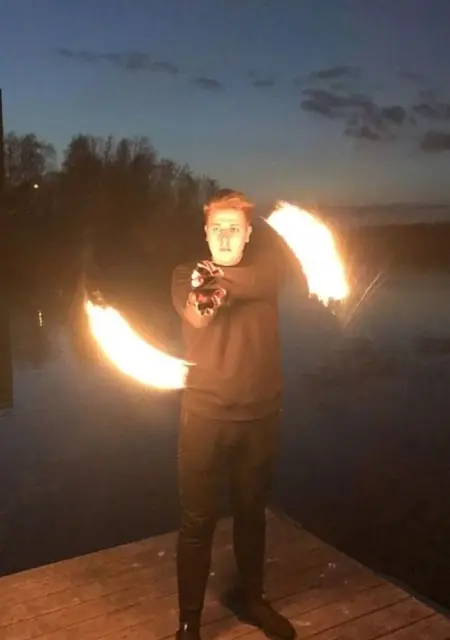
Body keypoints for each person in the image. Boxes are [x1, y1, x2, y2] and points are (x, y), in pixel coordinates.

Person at [171, 189, 296, 640]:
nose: (225, 237)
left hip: (260, 417)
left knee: (251, 513)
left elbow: (254, 282)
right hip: (204, 418)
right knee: (196, 523)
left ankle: (252, 599)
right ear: (206, 233)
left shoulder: (269, 270)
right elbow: (197, 316)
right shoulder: (184, 275)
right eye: (217, 229)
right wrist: (206, 291)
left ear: (248, 235)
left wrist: (217, 280)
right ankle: (189, 624)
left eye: (234, 229)